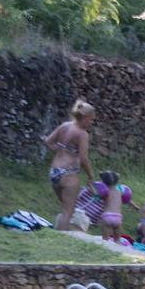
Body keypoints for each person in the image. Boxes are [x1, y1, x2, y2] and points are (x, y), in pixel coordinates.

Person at [44, 99, 96, 231]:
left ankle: (63, 234)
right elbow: (84, 159)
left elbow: (48, 142)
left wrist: (62, 150)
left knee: (65, 207)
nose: (91, 123)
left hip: (54, 171)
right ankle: (62, 239)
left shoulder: (64, 126)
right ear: (84, 118)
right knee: (68, 211)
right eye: (91, 120)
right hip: (69, 173)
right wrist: (91, 175)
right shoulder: (82, 134)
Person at [94, 170, 134, 243]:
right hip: (118, 217)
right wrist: (135, 207)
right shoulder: (121, 192)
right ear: (117, 181)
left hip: (107, 216)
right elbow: (128, 200)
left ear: (103, 182)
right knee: (117, 240)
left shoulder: (105, 193)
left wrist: (91, 187)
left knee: (105, 240)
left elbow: (96, 198)